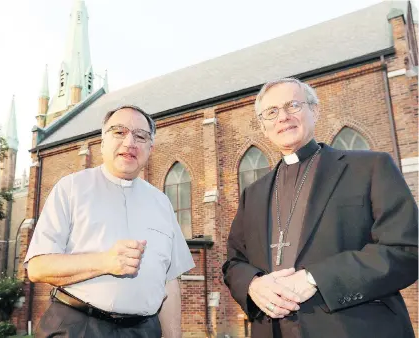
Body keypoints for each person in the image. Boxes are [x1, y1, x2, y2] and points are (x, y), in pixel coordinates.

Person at [222, 77, 418, 338]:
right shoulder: (253, 193)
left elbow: (406, 250)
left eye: (293, 105)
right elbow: (234, 262)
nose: (283, 117)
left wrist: (314, 278)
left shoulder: (370, 168)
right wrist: (253, 284)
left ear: (314, 111)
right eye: (271, 112)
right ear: (263, 126)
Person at [25, 105, 195, 338]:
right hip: (78, 327)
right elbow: (37, 267)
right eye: (119, 132)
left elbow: (169, 281)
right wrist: (105, 262)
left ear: (150, 148)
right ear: (102, 142)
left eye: (140, 136)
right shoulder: (71, 188)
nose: (129, 142)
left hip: (144, 330)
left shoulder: (162, 203)